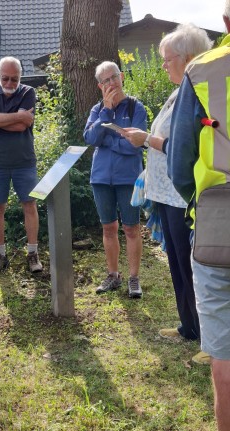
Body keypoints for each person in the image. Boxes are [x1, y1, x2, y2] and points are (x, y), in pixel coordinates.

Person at [122, 24, 213, 364]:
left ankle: (208, 337)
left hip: (184, 195)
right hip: (167, 193)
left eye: (166, 59)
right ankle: (188, 325)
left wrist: (146, 139)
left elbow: (185, 148)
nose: (162, 66)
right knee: (175, 262)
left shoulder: (201, 93)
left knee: (193, 267)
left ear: (188, 58)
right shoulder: (178, 91)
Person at [167, 4, 230, 431]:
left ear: (226, 24)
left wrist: (202, 202)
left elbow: (180, 164)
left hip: (216, 225)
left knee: (224, 364)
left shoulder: (202, 73)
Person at [83, 61, 147, 298]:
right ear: (100, 86)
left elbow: (135, 146)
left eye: (114, 78)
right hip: (100, 178)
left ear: (121, 76)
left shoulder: (135, 108)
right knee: (108, 227)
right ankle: (113, 275)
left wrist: (107, 141)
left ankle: (133, 278)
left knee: (131, 228)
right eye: (106, 81)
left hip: (128, 178)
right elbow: (90, 138)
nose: (111, 83)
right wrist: (107, 113)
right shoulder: (97, 110)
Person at [0, 56, 42, 274]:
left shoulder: (28, 92)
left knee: (30, 205)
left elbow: (21, 126)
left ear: (20, 76)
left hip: (25, 161)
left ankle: (33, 252)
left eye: (14, 79)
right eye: (5, 78)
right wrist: (18, 116)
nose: (9, 84)